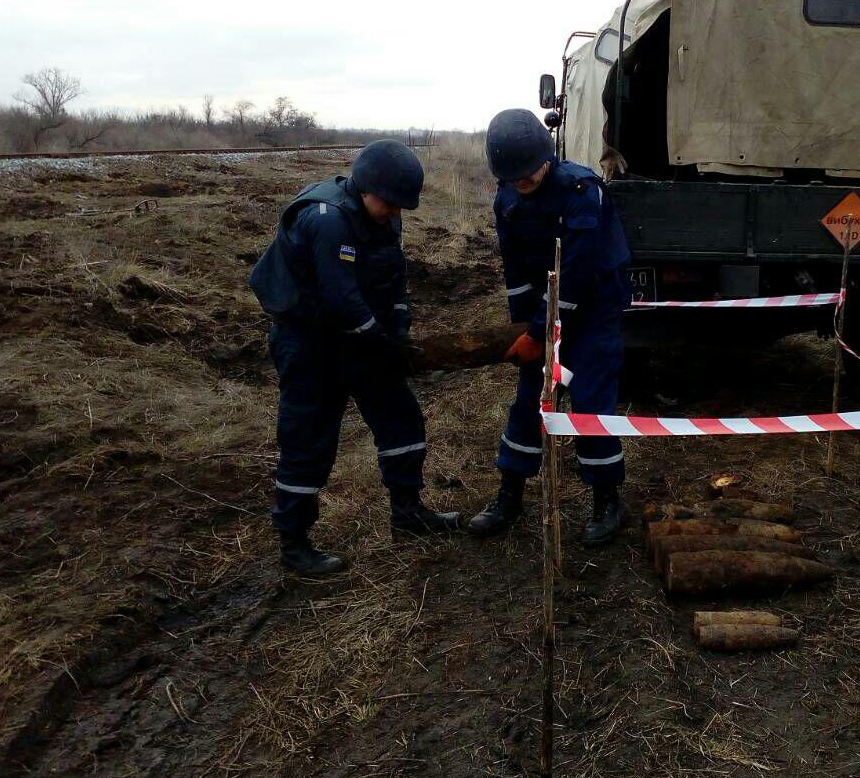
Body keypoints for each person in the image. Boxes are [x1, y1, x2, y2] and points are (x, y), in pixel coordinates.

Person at [249, 140, 459, 574]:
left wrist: (398, 332)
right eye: (390, 203)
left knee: (400, 418)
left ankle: (407, 511)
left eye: (402, 206)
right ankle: (295, 543)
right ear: (365, 188)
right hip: (309, 342)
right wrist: (382, 343)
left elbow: (393, 280)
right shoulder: (326, 221)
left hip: (360, 337)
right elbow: (341, 300)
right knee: (308, 440)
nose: (396, 213)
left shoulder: (384, 217)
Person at [468, 109, 631, 546]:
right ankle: (510, 494)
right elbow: (516, 269)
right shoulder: (506, 199)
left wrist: (541, 329)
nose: (522, 182)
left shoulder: (582, 191)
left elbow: (577, 274)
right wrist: (525, 330)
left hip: (594, 306)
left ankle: (607, 499)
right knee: (529, 401)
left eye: (528, 173)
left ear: (547, 156)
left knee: (591, 403)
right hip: (546, 306)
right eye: (513, 177)